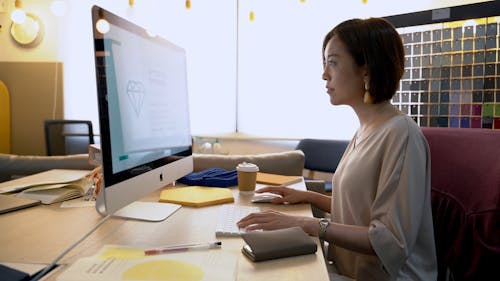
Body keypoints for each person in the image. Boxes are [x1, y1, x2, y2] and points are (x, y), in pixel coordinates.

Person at [237, 17, 437, 281]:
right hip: (349, 269)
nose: (324, 74)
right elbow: (361, 209)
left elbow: (389, 240)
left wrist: (305, 223)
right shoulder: (367, 129)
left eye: (332, 62)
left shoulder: (401, 135)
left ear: (367, 70)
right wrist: (309, 197)